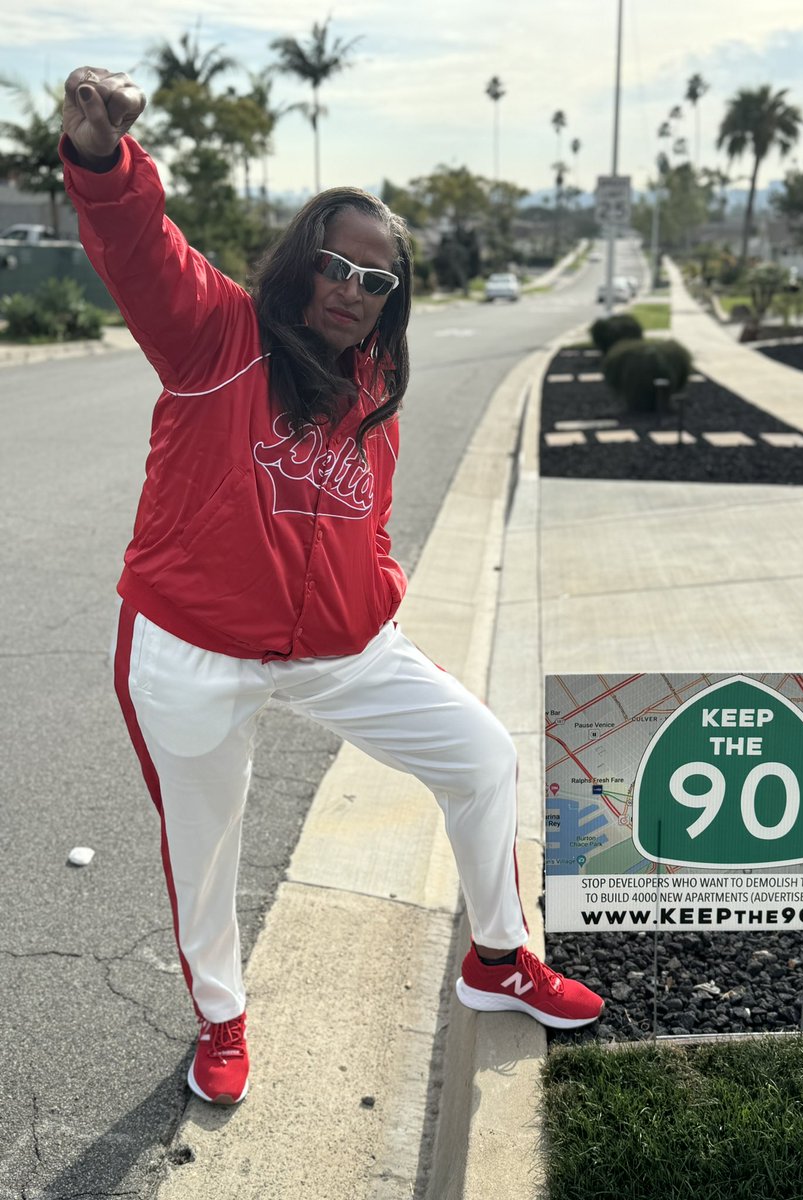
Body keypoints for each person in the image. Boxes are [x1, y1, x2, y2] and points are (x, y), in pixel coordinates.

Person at [60, 65, 605, 1106]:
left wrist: (376, 585)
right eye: (338, 268)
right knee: (205, 843)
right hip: (194, 648)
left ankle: (498, 959)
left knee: (482, 757)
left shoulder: (375, 388)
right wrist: (102, 157)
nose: (353, 291)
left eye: (377, 282)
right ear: (301, 264)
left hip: (341, 651)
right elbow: (136, 244)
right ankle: (222, 1017)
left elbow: (370, 516)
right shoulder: (216, 336)